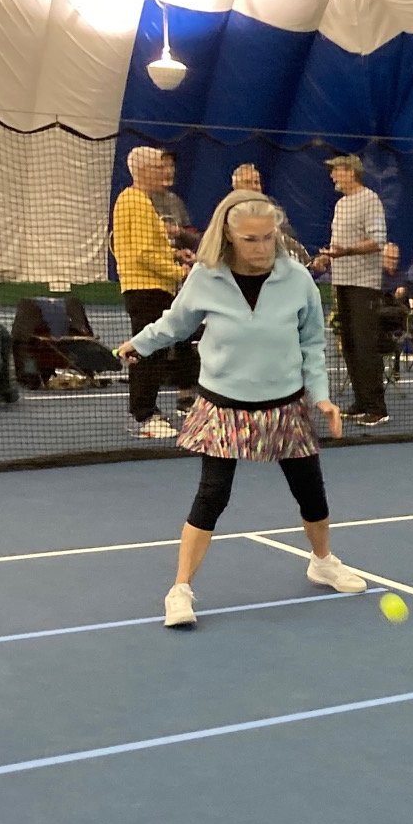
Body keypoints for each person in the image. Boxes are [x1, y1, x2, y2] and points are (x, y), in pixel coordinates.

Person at [115, 191, 367, 628]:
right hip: (223, 404)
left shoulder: (297, 279)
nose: (262, 246)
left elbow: (312, 343)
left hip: (285, 404)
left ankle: (323, 562)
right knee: (212, 495)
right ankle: (180, 590)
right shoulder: (206, 276)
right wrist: (140, 344)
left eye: (269, 236)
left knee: (311, 492)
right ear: (229, 236)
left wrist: (321, 396)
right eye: (251, 239)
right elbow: (176, 323)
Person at [112, 146, 196, 438]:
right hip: (146, 289)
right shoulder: (134, 201)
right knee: (148, 351)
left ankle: (146, 411)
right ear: (143, 170)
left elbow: (150, 248)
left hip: (153, 288)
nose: (165, 172)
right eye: (159, 167)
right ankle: (142, 416)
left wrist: (176, 255)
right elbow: (143, 254)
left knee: (155, 351)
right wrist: (179, 272)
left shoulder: (141, 201)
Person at [311, 153, 400, 426]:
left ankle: (377, 408)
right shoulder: (340, 204)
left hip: (364, 285)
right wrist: (326, 258)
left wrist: (346, 252)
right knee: (349, 345)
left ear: (351, 172)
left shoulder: (370, 199)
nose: (332, 175)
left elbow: (377, 241)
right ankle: (361, 402)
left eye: (336, 170)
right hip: (341, 282)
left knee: (365, 345)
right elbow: (337, 244)